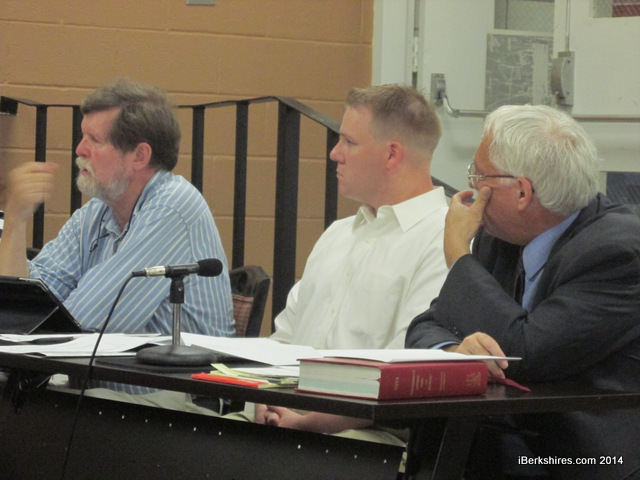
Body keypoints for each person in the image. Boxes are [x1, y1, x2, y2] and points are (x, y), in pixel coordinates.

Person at [406, 104, 640, 480]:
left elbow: (525, 353)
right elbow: (427, 324)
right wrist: (454, 352)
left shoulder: (618, 253)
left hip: (578, 461)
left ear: (521, 193)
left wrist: (457, 254)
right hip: (491, 448)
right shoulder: (501, 235)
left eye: (478, 174)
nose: (471, 188)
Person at [0, 79, 235, 394]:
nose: (80, 149)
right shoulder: (96, 213)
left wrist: (32, 321)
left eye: (95, 140)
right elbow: (19, 311)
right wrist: (15, 220)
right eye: (82, 136)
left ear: (139, 156)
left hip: (181, 407)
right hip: (106, 403)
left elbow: (83, 325)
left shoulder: (174, 207)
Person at [254, 84, 449, 439]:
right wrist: (264, 398)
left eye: (349, 142)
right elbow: (283, 340)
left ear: (392, 154)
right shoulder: (338, 234)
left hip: (366, 436)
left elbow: (403, 374)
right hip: (288, 420)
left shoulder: (443, 241)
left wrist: (307, 423)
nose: (335, 153)